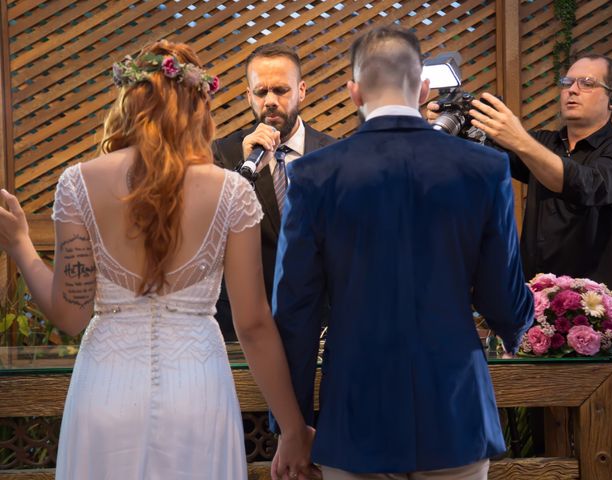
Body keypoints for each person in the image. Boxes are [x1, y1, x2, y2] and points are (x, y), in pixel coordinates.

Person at [0, 40, 315, 480]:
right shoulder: (232, 192)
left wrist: (19, 244)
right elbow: (254, 325)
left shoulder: (78, 184)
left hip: (105, 392)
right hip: (199, 392)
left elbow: (70, 316)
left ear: (129, 102)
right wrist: (293, 427)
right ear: (198, 105)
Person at [270, 26, 534, 480]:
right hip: (455, 409)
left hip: (355, 412)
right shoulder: (485, 167)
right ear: (424, 88)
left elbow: (295, 309)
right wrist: (518, 327)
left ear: (354, 92)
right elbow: (503, 297)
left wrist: (293, 426)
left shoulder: (313, 175)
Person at [431, 53, 612, 479]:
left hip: (611, 317)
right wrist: (446, 122)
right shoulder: (543, 142)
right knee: (548, 432)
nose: (572, 89)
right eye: (567, 81)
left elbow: (585, 187)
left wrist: (519, 138)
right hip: (541, 314)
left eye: (585, 83)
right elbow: (484, 154)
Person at [214, 43, 335, 341]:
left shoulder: (336, 154)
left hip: (323, 322)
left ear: (302, 90)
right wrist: (244, 171)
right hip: (242, 326)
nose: (270, 101)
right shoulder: (224, 154)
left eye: (281, 90)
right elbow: (211, 235)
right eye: (261, 92)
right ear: (248, 96)